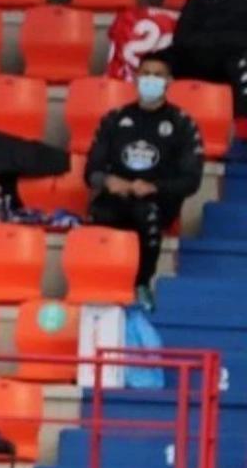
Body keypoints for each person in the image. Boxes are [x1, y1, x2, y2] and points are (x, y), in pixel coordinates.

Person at [87, 53, 204, 311]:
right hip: (117, 196)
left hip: (158, 200)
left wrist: (155, 187)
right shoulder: (114, 119)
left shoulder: (182, 124)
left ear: (169, 81)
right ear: (137, 78)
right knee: (100, 212)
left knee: (145, 213)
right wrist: (108, 181)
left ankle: (141, 284)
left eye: (157, 75)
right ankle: (102, 285)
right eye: (146, 73)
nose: (150, 79)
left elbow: (191, 180)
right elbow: (90, 171)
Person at [162, 0, 247, 145]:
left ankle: (242, 137)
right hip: (203, 57)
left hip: (237, 61)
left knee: (242, 60)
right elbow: (183, 36)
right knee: (156, 61)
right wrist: (225, 40)